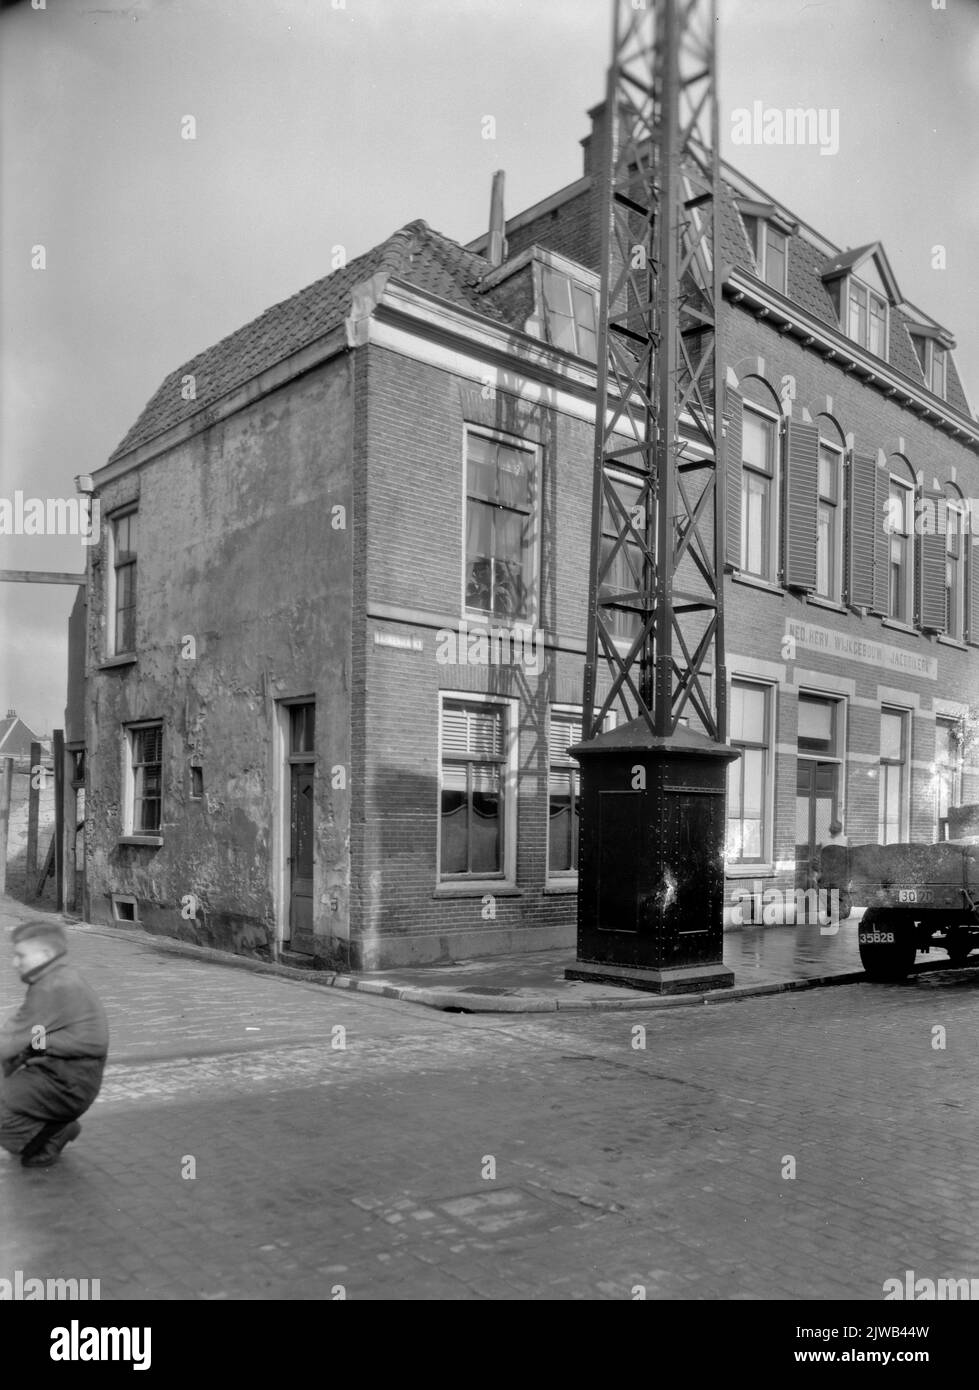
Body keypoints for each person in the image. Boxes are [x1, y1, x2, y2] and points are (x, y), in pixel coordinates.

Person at [0, 920, 109, 1168]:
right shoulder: (58, 977)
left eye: (20, 956)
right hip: (66, 1074)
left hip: (68, 1083)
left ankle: (50, 1136)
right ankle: (55, 1126)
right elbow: (35, 1037)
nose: (14, 963)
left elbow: (6, 1042)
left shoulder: (53, 986)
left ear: (46, 955)